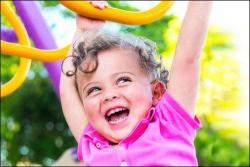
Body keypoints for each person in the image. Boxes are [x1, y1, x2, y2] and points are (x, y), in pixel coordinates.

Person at [60, 1, 213, 166]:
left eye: (123, 80)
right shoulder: (92, 142)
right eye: (94, 89)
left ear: (156, 92)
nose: (109, 95)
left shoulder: (170, 123)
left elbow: (187, 58)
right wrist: (84, 32)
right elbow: (67, 91)